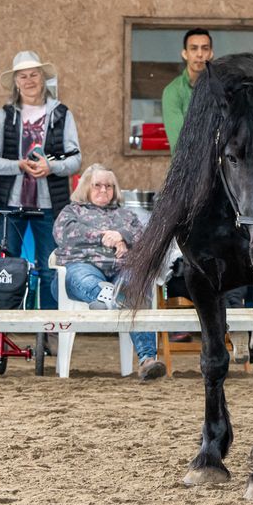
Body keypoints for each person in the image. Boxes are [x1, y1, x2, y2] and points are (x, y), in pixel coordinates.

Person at [0, 51, 81, 312]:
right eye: (23, 76)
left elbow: (76, 160)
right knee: (6, 267)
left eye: (34, 74)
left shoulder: (61, 114)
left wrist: (51, 167)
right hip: (11, 204)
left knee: (49, 268)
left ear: (43, 78)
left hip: (50, 206)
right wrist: (18, 165)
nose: (29, 80)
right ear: (16, 82)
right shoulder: (5, 115)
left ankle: (48, 329)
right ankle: (4, 327)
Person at [53, 163, 165, 381]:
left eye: (109, 186)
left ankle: (148, 360)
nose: (103, 190)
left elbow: (144, 237)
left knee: (135, 287)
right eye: (97, 185)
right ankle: (106, 295)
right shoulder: (72, 211)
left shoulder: (127, 215)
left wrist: (122, 236)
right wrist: (105, 236)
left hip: (121, 269)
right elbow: (64, 234)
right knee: (82, 278)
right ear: (86, 187)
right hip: (84, 265)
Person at [161, 28, 214, 150]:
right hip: (187, 167)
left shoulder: (223, 89)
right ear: (185, 54)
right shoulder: (172, 92)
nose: (200, 54)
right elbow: (179, 144)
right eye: (194, 48)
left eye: (205, 48)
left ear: (211, 54)